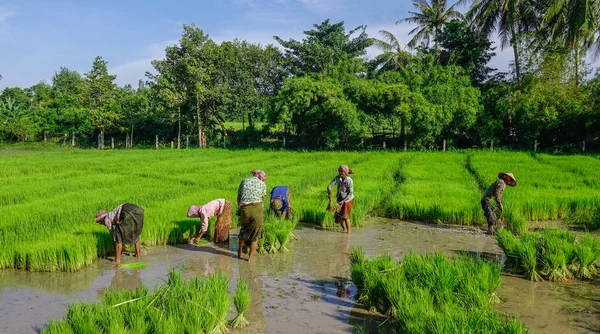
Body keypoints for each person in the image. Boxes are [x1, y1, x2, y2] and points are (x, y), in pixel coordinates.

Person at [237, 170, 267, 263]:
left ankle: (240, 252)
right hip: (256, 209)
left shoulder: (244, 181)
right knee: (256, 235)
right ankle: (250, 259)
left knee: (244, 229)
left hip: (244, 209)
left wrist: (240, 207)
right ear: (261, 177)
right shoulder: (262, 184)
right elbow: (262, 197)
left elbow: (239, 196)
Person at [327, 165, 355, 233]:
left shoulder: (349, 180)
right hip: (339, 198)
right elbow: (329, 186)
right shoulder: (337, 178)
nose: (340, 173)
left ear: (345, 172)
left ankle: (348, 233)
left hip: (348, 200)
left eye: (341, 171)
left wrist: (343, 201)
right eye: (339, 171)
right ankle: (344, 230)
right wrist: (330, 193)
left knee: (345, 216)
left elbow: (350, 193)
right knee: (339, 216)